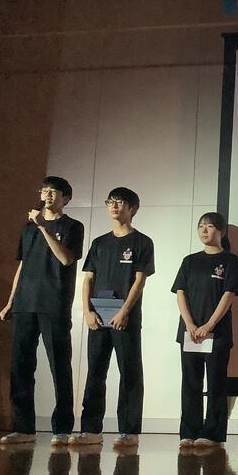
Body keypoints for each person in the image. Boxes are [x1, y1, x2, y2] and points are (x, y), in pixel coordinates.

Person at [0, 176, 84, 446]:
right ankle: (23, 428)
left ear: (65, 198)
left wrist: (45, 227)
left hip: (53, 304)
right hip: (25, 303)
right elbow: (23, 266)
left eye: (53, 191)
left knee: (59, 365)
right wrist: (11, 301)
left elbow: (66, 259)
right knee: (21, 366)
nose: (47, 195)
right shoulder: (28, 229)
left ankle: (62, 428)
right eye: (44, 190)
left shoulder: (72, 226)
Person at [70, 187, 154, 447]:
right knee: (95, 371)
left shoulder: (142, 242)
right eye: (111, 202)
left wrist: (124, 311)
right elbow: (88, 279)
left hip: (125, 318)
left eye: (120, 202)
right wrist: (87, 311)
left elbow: (139, 282)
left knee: (129, 372)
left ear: (133, 208)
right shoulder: (99, 243)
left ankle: (129, 432)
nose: (114, 206)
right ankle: (91, 430)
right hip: (97, 317)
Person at [172, 212, 238, 449]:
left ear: (221, 231)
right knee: (190, 382)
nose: (204, 230)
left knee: (215, 383)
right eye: (201, 226)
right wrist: (190, 324)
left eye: (210, 226)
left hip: (217, 333)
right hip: (190, 332)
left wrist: (209, 325)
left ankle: (212, 433)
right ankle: (188, 432)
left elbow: (228, 296)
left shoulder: (231, 261)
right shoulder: (189, 261)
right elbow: (180, 292)